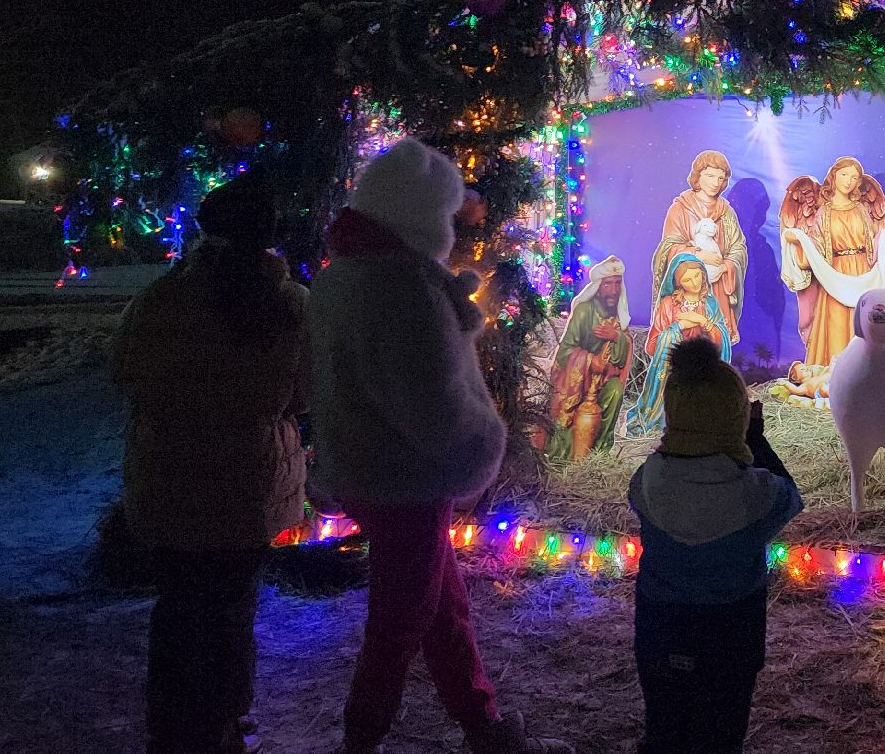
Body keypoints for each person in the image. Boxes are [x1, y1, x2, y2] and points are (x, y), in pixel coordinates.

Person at [308, 138, 571, 754]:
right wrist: (475, 449)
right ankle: (362, 736)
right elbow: (431, 400)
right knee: (401, 616)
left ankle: (482, 722)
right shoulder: (402, 290)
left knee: (442, 603)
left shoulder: (342, 277)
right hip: (406, 476)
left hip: (366, 468)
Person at [113, 172, 306, 754]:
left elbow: (125, 373)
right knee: (229, 608)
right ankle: (223, 724)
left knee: (176, 608)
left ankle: (170, 730)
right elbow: (308, 392)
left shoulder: (162, 299)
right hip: (247, 479)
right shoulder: (289, 306)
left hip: (168, 475)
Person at [629, 340, 803, 753]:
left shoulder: (649, 479)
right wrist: (757, 445)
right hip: (732, 630)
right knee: (724, 727)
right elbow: (790, 498)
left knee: (664, 718)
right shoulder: (754, 492)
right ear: (735, 419)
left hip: (659, 622)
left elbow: (638, 497)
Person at [778, 156, 885, 367]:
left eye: (854, 177)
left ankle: (867, 374)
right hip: (835, 276)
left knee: (863, 320)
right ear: (834, 175)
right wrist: (799, 240)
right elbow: (817, 251)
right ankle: (833, 379)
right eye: (844, 174)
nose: (849, 181)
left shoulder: (860, 209)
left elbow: (874, 242)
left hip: (862, 272)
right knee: (837, 324)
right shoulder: (824, 212)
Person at [623, 252, 732, 438]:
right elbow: (652, 346)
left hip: (701, 366)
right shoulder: (668, 305)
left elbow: (722, 339)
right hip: (673, 368)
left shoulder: (711, 304)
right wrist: (679, 327)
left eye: (698, 276)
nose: (695, 283)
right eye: (688, 279)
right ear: (678, 283)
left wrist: (702, 321)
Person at [542, 256, 633, 463]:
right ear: (598, 287)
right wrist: (592, 361)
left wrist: (616, 337)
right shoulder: (584, 312)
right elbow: (565, 351)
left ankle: (599, 451)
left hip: (602, 380)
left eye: (618, 283)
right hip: (575, 378)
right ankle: (566, 453)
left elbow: (623, 352)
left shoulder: (619, 315)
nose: (613, 290)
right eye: (608, 284)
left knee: (616, 391)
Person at [651, 151, 747, 344]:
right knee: (688, 342)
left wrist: (725, 266)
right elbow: (668, 247)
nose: (715, 183)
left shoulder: (727, 212)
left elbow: (738, 248)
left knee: (714, 341)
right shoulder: (680, 208)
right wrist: (699, 255)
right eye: (710, 176)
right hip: (689, 287)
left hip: (718, 286)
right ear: (697, 176)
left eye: (721, 178)